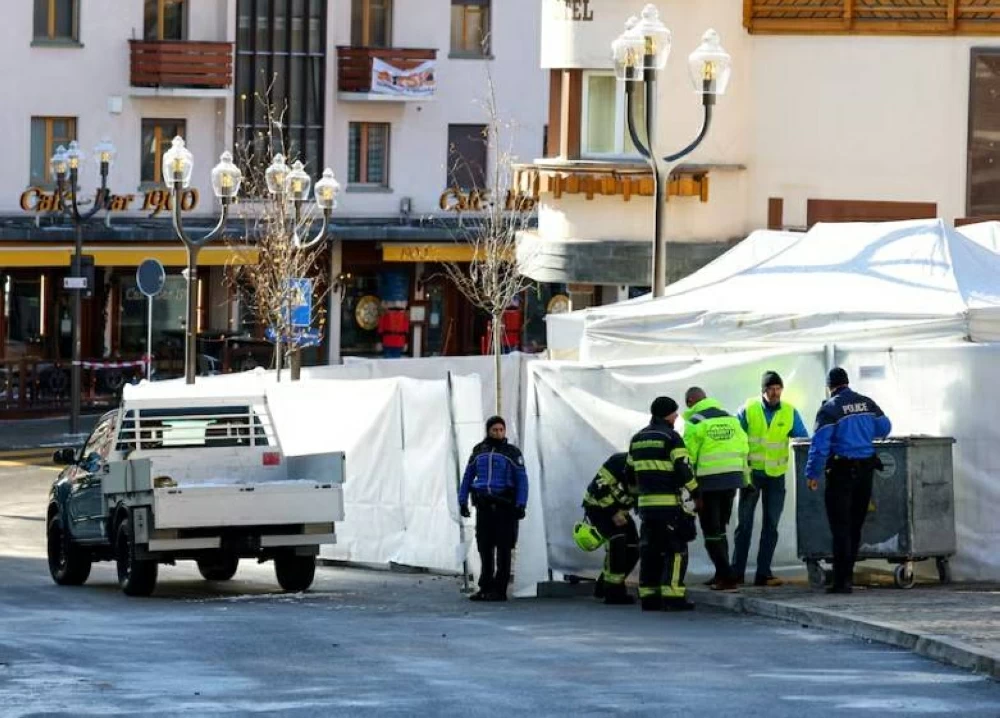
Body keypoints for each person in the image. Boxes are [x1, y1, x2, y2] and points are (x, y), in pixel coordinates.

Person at [805, 368, 892, 594]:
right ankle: (849, 578)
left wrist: (812, 474)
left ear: (830, 386)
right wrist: (862, 434)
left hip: (842, 472)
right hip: (865, 472)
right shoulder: (867, 403)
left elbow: (820, 445)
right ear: (847, 383)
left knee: (840, 527)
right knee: (855, 526)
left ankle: (841, 581)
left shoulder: (830, 409)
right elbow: (885, 427)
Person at [733, 371, 810, 587]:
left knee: (771, 525)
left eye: (778, 388)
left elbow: (803, 438)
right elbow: (735, 439)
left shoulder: (789, 412)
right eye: (771, 389)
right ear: (763, 390)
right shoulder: (748, 409)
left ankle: (763, 573)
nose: (775, 393)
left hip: (775, 477)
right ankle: (737, 572)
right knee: (744, 526)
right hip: (751, 476)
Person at [627, 396, 700, 612]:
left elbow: (629, 475)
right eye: (674, 413)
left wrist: (636, 501)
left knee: (650, 550)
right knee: (676, 550)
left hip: (646, 508)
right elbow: (683, 469)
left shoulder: (637, 439)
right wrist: (696, 492)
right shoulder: (671, 437)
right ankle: (673, 596)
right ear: (667, 414)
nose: (676, 417)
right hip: (668, 506)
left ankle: (649, 597)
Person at [682, 387, 749, 592]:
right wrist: (746, 480)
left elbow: (689, 456)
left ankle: (727, 578)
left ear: (692, 401)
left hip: (708, 483)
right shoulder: (731, 419)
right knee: (720, 529)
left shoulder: (695, 423)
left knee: (711, 532)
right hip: (732, 481)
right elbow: (744, 450)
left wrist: (689, 487)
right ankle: (723, 573)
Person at [459, 416, 529, 602]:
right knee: (485, 548)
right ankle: (485, 587)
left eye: (501, 430)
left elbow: (522, 480)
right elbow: (468, 477)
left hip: (505, 507)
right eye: (494, 430)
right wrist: (462, 500)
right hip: (483, 507)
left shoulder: (511, 452)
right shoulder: (479, 451)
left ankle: (500, 589)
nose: (498, 433)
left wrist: (521, 504)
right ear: (488, 430)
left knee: (504, 549)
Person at [576, 452, 639, 605]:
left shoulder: (650, 468)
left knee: (634, 548)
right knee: (618, 541)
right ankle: (613, 592)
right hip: (598, 507)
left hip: (620, 511)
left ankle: (603, 585)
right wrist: (613, 512)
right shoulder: (618, 461)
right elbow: (598, 486)